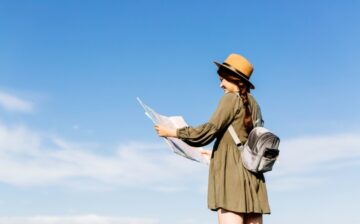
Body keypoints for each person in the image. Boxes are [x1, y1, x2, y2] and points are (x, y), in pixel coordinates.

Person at [155, 53, 270, 224]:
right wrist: (216, 153)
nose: (220, 84)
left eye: (223, 79)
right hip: (253, 175)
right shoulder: (255, 104)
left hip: (232, 174)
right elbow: (244, 139)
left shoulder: (230, 99)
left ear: (235, 79)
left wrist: (173, 132)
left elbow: (209, 130)